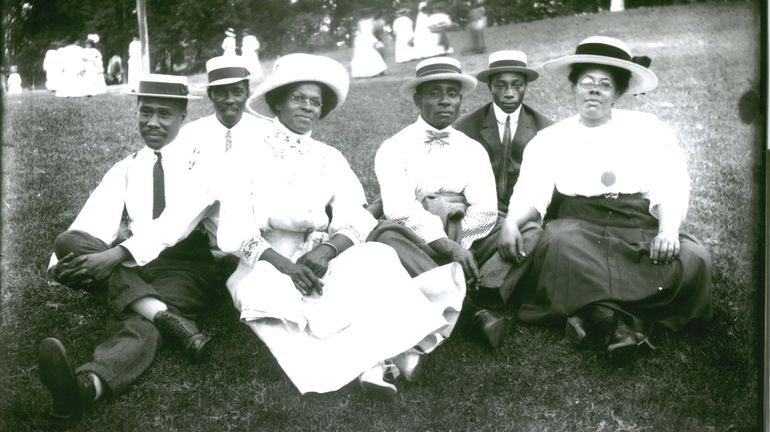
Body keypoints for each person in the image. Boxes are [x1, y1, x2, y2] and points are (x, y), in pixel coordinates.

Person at [218, 53, 464, 398]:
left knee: (375, 258)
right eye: (297, 99)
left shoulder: (328, 156)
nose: (307, 107)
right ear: (277, 103)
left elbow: (357, 215)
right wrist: (287, 267)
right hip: (268, 258)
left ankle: (382, 362)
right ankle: (376, 363)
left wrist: (328, 250)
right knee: (270, 295)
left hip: (321, 252)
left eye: (315, 102)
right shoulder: (243, 156)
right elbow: (235, 229)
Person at [501, 36, 713, 366]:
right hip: (579, 226)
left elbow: (670, 183)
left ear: (618, 92)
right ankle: (623, 323)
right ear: (573, 88)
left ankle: (598, 315)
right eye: (586, 82)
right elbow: (532, 192)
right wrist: (511, 222)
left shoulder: (649, 129)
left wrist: (668, 230)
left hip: (636, 222)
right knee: (555, 244)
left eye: (605, 84)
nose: (595, 90)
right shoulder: (550, 139)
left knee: (694, 259)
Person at [37, 74, 222, 428]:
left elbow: (175, 224)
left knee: (138, 323)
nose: (153, 122)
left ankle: (85, 387)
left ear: (182, 116)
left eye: (164, 114)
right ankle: (166, 317)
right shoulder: (128, 166)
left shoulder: (204, 162)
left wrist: (113, 257)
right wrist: (61, 266)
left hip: (186, 265)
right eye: (146, 112)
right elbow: (91, 221)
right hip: (133, 265)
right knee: (67, 242)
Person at [369, 56, 501, 347]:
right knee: (387, 238)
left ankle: (449, 290)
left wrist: (460, 245)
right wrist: (445, 244)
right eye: (435, 93)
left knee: (520, 232)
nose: (445, 101)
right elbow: (398, 209)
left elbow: (485, 208)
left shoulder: (473, 149)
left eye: (452, 94)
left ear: (460, 101)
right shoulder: (394, 148)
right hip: (416, 234)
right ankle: (471, 310)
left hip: (464, 230)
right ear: (417, 100)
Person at [454, 50, 553, 333]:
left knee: (534, 233)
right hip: (479, 210)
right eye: (501, 85)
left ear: (526, 85)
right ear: (490, 86)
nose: (509, 92)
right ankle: (498, 286)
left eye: (517, 84)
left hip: (522, 213)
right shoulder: (466, 127)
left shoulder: (544, 129)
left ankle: (484, 289)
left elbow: (547, 183)